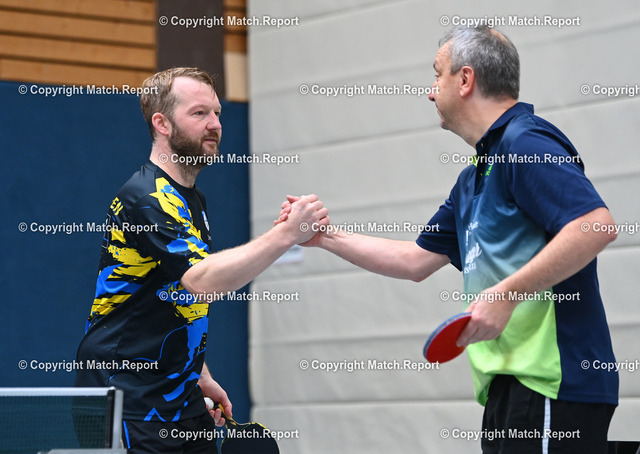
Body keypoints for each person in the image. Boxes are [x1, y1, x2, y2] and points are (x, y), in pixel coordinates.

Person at [277, 26, 618, 453]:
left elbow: (595, 225)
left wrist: (505, 295)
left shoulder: (524, 142)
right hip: (508, 386)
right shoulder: (473, 178)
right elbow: (415, 260)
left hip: (555, 381)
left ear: (465, 79)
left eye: (437, 75)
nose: (430, 91)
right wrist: (325, 236)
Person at [75, 67, 329, 453]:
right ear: (161, 123)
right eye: (199, 113)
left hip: (181, 394)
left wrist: (199, 372)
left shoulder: (191, 198)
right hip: (128, 401)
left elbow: (177, 294)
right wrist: (286, 235)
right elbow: (201, 280)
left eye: (217, 113)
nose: (215, 124)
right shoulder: (148, 198)